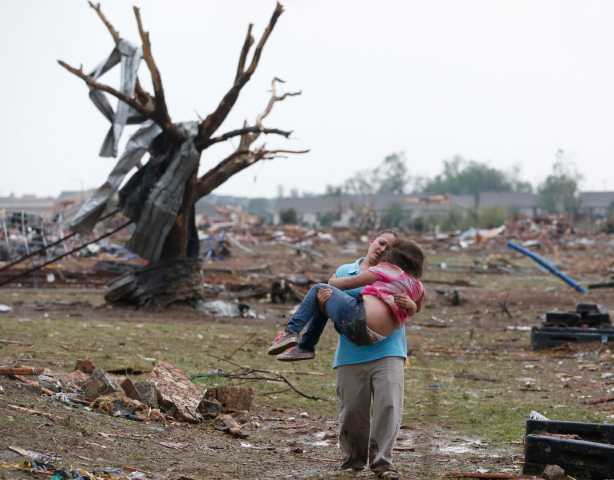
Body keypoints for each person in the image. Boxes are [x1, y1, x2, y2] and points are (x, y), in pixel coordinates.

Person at [271, 230, 418, 479]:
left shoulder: (399, 274)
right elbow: (328, 305)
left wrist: (411, 305)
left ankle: (383, 465)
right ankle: (352, 463)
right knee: (352, 411)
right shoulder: (344, 272)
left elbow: (415, 304)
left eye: (390, 248)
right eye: (381, 243)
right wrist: (322, 301)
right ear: (371, 241)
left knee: (388, 407)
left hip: (389, 352)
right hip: (351, 354)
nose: (383, 249)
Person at [267, 238, 425, 356]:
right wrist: (411, 305)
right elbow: (417, 308)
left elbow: (348, 283)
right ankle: (305, 347)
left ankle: (292, 333)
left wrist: (332, 281)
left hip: (359, 319)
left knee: (319, 289)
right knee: (325, 297)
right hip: (376, 337)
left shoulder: (387, 268)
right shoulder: (418, 286)